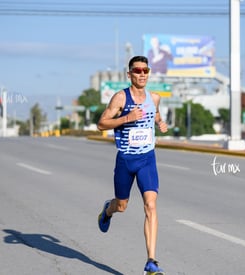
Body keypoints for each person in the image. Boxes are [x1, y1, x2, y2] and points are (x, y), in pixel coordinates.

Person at [97, 55, 168, 274]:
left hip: (147, 158)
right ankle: (107, 211)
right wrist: (127, 118)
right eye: (137, 70)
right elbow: (101, 124)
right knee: (122, 206)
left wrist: (160, 122)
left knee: (151, 206)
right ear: (129, 74)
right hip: (126, 160)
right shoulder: (120, 98)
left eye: (145, 70)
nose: (142, 74)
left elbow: (154, 114)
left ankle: (151, 262)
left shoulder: (154, 97)